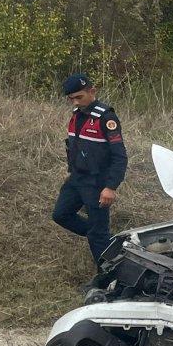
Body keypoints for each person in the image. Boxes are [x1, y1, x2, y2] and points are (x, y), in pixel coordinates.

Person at [51, 73, 127, 270]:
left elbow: (120, 156)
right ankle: (106, 241)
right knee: (61, 214)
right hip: (76, 180)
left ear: (91, 91)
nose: (75, 102)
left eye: (79, 97)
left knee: (97, 233)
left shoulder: (106, 117)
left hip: (97, 183)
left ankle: (108, 276)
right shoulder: (77, 115)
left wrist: (110, 187)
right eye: (71, 99)